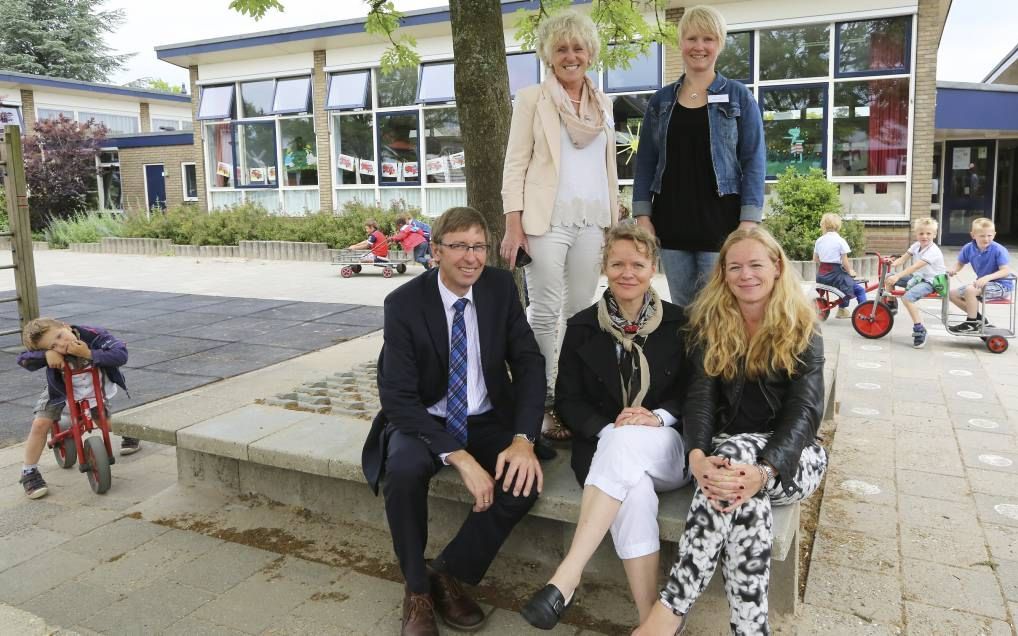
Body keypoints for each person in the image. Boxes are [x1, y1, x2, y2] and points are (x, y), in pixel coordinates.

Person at [633, 226, 827, 636]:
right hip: (728, 462)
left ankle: (669, 610)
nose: (745, 275)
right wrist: (698, 456)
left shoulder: (803, 327)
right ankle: (749, 630)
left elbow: (805, 413)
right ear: (722, 273)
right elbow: (699, 400)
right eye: (734, 266)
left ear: (776, 267)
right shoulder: (711, 324)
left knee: (740, 467)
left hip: (793, 459)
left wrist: (766, 470)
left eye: (755, 264)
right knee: (744, 500)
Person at [362, 206, 546, 636]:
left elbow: (530, 363)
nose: (471, 257)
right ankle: (416, 590)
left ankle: (446, 574)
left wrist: (523, 439)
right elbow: (397, 398)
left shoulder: (501, 289)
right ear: (436, 251)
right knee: (404, 471)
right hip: (424, 419)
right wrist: (459, 457)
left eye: (479, 246)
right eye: (459, 246)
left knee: (524, 480)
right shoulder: (404, 303)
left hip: (485, 416)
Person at [520, 225, 689, 630]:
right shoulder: (581, 326)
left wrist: (656, 418)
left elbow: (697, 393)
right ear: (604, 267)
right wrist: (609, 430)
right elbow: (568, 400)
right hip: (604, 449)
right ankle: (650, 619)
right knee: (635, 494)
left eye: (638, 264)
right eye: (617, 263)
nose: (627, 272)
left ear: (653, 268)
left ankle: (567, 577)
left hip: (669, 447)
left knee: (630, 443)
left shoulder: (682, 324)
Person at [500, 9, 619, 442]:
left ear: (591, 53)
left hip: (592, 221)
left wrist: (613, 223)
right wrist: (513, 225)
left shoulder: (602, 103)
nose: (571, 56)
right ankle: (543, 400)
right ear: (549, 56)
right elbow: (515, 165)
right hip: (545, 221)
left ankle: (573, 393)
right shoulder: (532, 99)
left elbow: (608, 168)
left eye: (578, 48)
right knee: (546, 312)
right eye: (562, 49)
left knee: (582, 311)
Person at [631, 5, 765, 308]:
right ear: (680, 42)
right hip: (671, 222)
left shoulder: (738, 96)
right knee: (682, 310)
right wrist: (643, 216)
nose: (699, 47)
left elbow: (754, 161)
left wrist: (749, 221)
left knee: (720, 311)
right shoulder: (661, 101)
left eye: (708, 39)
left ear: (719, 43)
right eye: (692, 38)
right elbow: (646, 163)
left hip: (722, 224)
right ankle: (689, 359)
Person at [16, 318, 141, 499]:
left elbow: (120, 354)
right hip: (60, 389)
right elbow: (23, 359)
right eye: (54, 345)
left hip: (92, 387)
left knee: (103, 422)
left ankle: (129, 432)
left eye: (60, 335)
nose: (62, 343)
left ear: (66, 326)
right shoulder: (49, 351)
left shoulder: (93, 335)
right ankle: (29, 472)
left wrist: (89, 353)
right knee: (40, 424)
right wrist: (46, 355)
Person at [883, 217, 946, 349]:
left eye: (928, 233)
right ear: (916, 234)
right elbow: (903, 259)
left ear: (934, 234)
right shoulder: (916, 246)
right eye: (921, 233)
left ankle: (920, 328)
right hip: (917, 278)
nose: (924, 236)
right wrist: (892, 262)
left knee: (907, 298)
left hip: (931, 281)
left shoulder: (933, 251)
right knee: (888, 277)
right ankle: (891, 305)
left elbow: (915, 267)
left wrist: (899, 276)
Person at [947, 217, 1012, 333]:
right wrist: (954, 270)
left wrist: (987, 278)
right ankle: (978, 320)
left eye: (989, 235)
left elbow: (1005, 271)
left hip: (1001, 285)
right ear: (973, 235)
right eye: (982, 236)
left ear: (994, 234)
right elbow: (960, 263)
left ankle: (971, 323)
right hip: (982, 284)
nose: (986, 239)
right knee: (951, 294)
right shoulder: (969, 248)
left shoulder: (999, 250)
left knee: (970, 290)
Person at [813, 213, 866, 319]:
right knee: (858, 289)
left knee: (845, 285)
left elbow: (815, 259)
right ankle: (864, 313)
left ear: (823, 225)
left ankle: (842, 311)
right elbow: (845, 261)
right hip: (835, 276)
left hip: (822, 276)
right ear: (838, 226)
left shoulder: (819, 241)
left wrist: (826, 266)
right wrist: (850, 271)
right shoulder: (840, 241)